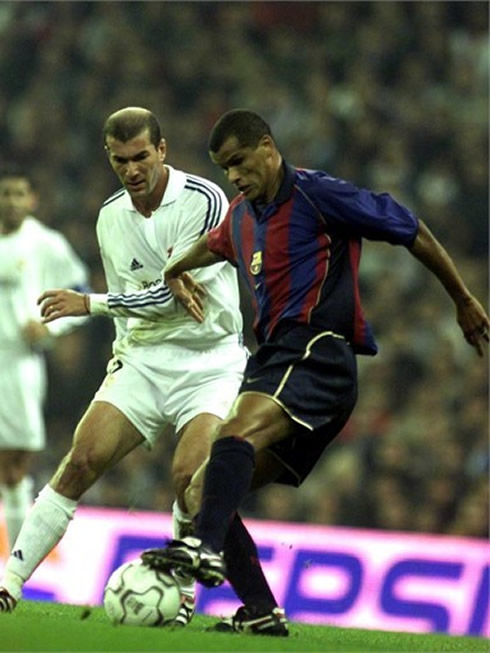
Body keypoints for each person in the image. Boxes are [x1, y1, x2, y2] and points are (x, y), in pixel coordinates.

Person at [140, 109, 489, 632]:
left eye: (238, 162)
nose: (233, 175)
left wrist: (462, 299)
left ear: (266, 146)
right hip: (278, 364)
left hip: (319, 353)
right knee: (200, 490)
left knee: (232, 434)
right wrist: (173, 269)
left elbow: (410, 228)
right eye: (223, 167)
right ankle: (260, 610)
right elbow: (212, 246)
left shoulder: (317, 194)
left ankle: (202, 550)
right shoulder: (239, 216)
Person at [0, 107, 251, 628]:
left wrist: (88, 303)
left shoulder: (204, 200)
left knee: (190, 478)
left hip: (209, 362)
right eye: (121, 161)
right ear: (109, 158)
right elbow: (140, 296)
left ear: (162, 150)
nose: (133, 169)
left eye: (141, 157)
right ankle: (9, 584)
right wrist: (122, 356)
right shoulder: (110, 216)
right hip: (143, 358)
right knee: (79, 461)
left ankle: (181, 590)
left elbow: (175, 295)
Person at [0, 167, 89, 553]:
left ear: (32, 200)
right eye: (6, 194)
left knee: (14, 466)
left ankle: (14, 570)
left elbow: (82, 292)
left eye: (20, 194)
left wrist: (50, 329)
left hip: (17, 365)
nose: (12, 201)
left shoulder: (45, 243)